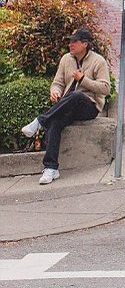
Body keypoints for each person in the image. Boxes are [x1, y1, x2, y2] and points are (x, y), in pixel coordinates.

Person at [21, 28, 110, 186]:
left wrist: (83, 80)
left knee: (76, 96)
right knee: (55, 123)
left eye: (74, 41)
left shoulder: (98, 61)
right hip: (67, 104)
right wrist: (55, 92)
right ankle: (51, 168)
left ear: (85, 44)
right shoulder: (66, 59)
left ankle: (40, 121)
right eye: (70, 41)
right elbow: (58, 83)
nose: (70, 44)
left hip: (89, 107)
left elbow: (105, 88)